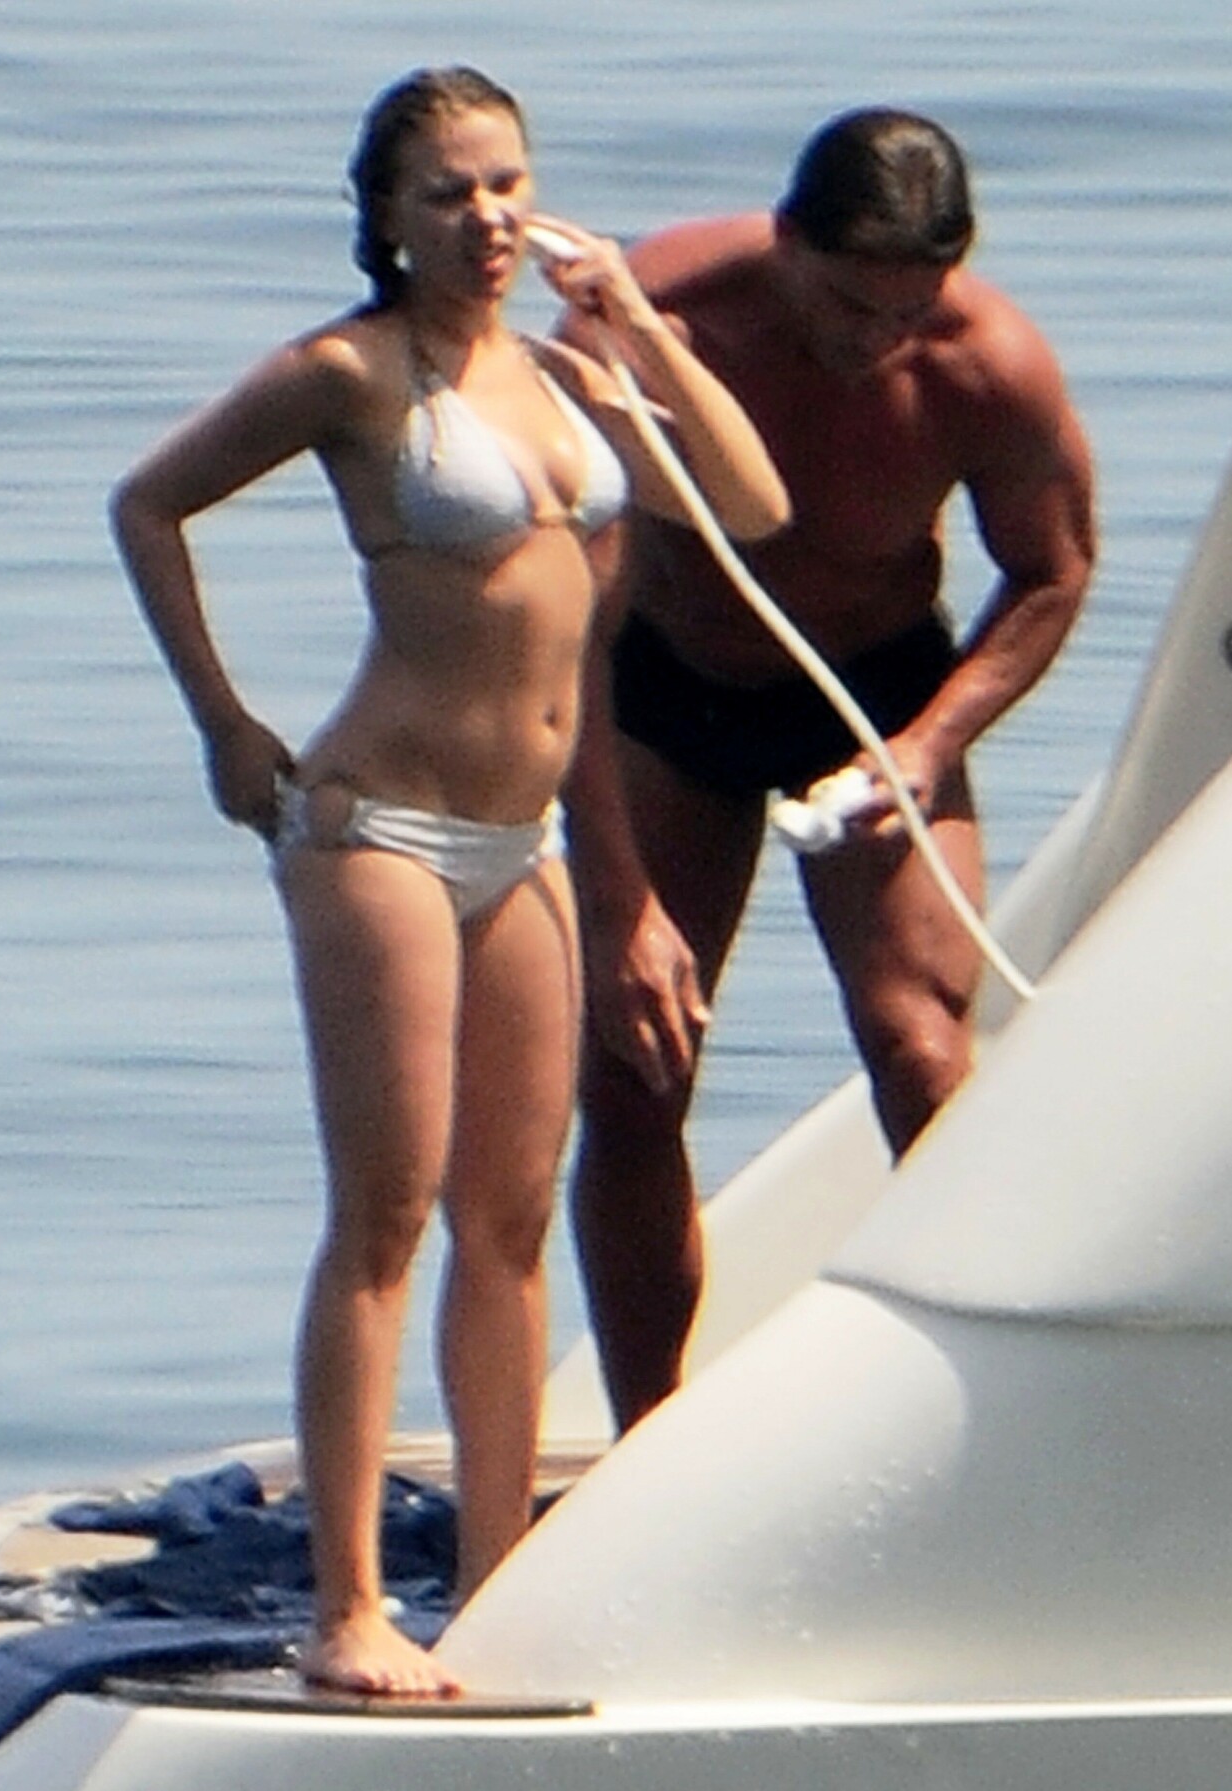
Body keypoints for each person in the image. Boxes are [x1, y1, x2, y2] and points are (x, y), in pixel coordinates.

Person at [109, 66, 787, 1698]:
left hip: (520, 846)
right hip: (379, 832)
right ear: (388, 219)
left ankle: (490, 1580)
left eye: (505, 186)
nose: (485, 219)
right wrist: (225, 725)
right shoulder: (346, 376)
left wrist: (638, 322)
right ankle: (346, 1610)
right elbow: (148, 504)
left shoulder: (567, 373)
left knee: (511, 1220)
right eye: (449, 193)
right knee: (386, 1217)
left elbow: (753, 505)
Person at [561, 107, 1095, 1432]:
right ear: (789, 241)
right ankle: (646, 1437)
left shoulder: (987, 366)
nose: (876, 343)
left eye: (909, 312)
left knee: (921, 1047)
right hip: (666, 695)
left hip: (874, 700)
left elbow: (1052, 569)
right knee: (634, 1071)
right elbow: (557, 596)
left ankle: (981, 1418)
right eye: (852, 306)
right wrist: (617, 896)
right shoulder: (663, 312)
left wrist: (929, 745)